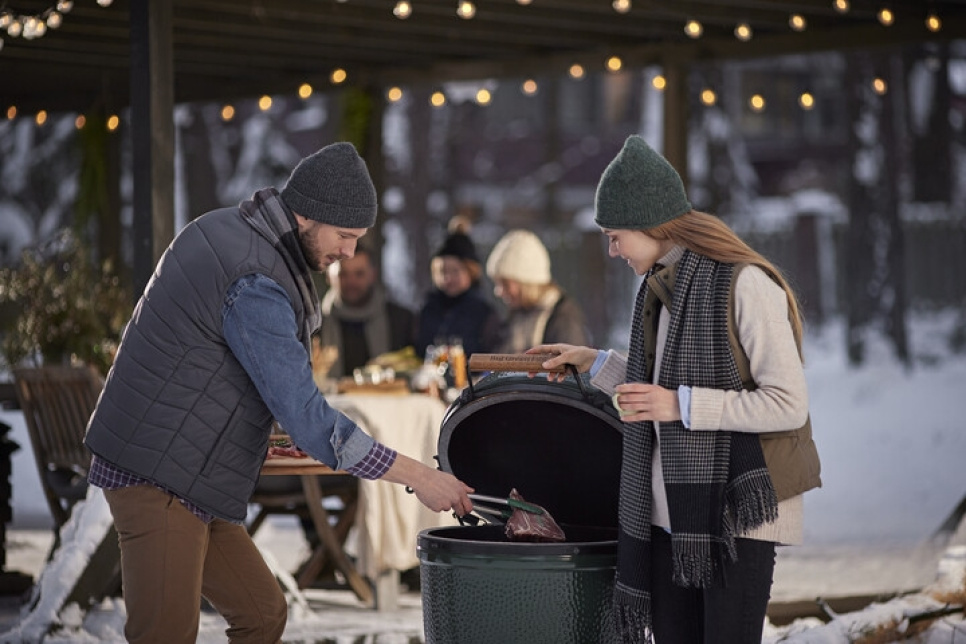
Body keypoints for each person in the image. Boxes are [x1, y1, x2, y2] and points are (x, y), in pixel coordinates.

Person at [84, 142, 474, 644]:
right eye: (345, 236)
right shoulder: (257, 280)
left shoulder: (236, 232)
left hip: (193, 475)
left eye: (358, 240)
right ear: (306, 214)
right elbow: (308, 417)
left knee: (262, 615)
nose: (350, 253)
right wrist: (420, 476)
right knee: (165, 634)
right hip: (157, 475)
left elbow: (213, 369)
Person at [530, 135, 821, 644]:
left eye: (615, 236)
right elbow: (662, 386)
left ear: (651, 225)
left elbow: (787, 404)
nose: (612, 250)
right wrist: (593, 362)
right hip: (672, 515)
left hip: (735, 515)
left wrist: (680, 405)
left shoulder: (745, 285)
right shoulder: (662, 289)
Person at [318, 243, 416, 378]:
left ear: (372, 275)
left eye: (359, 274)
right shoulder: (314, 324)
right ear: (329, 277)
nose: (351, 282)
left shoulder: (401, 321)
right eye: (343, 274)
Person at [485, 228, 590, 353]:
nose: (498, 291)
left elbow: (572, 363)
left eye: (506, 284)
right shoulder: (516, 317)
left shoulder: (563, 318)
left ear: (527, 283)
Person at [415, 229, 500, 360]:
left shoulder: (484, 314)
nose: (448, 278)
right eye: (442, 271)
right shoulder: (427, 310)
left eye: (455, 271)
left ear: (470, 272)